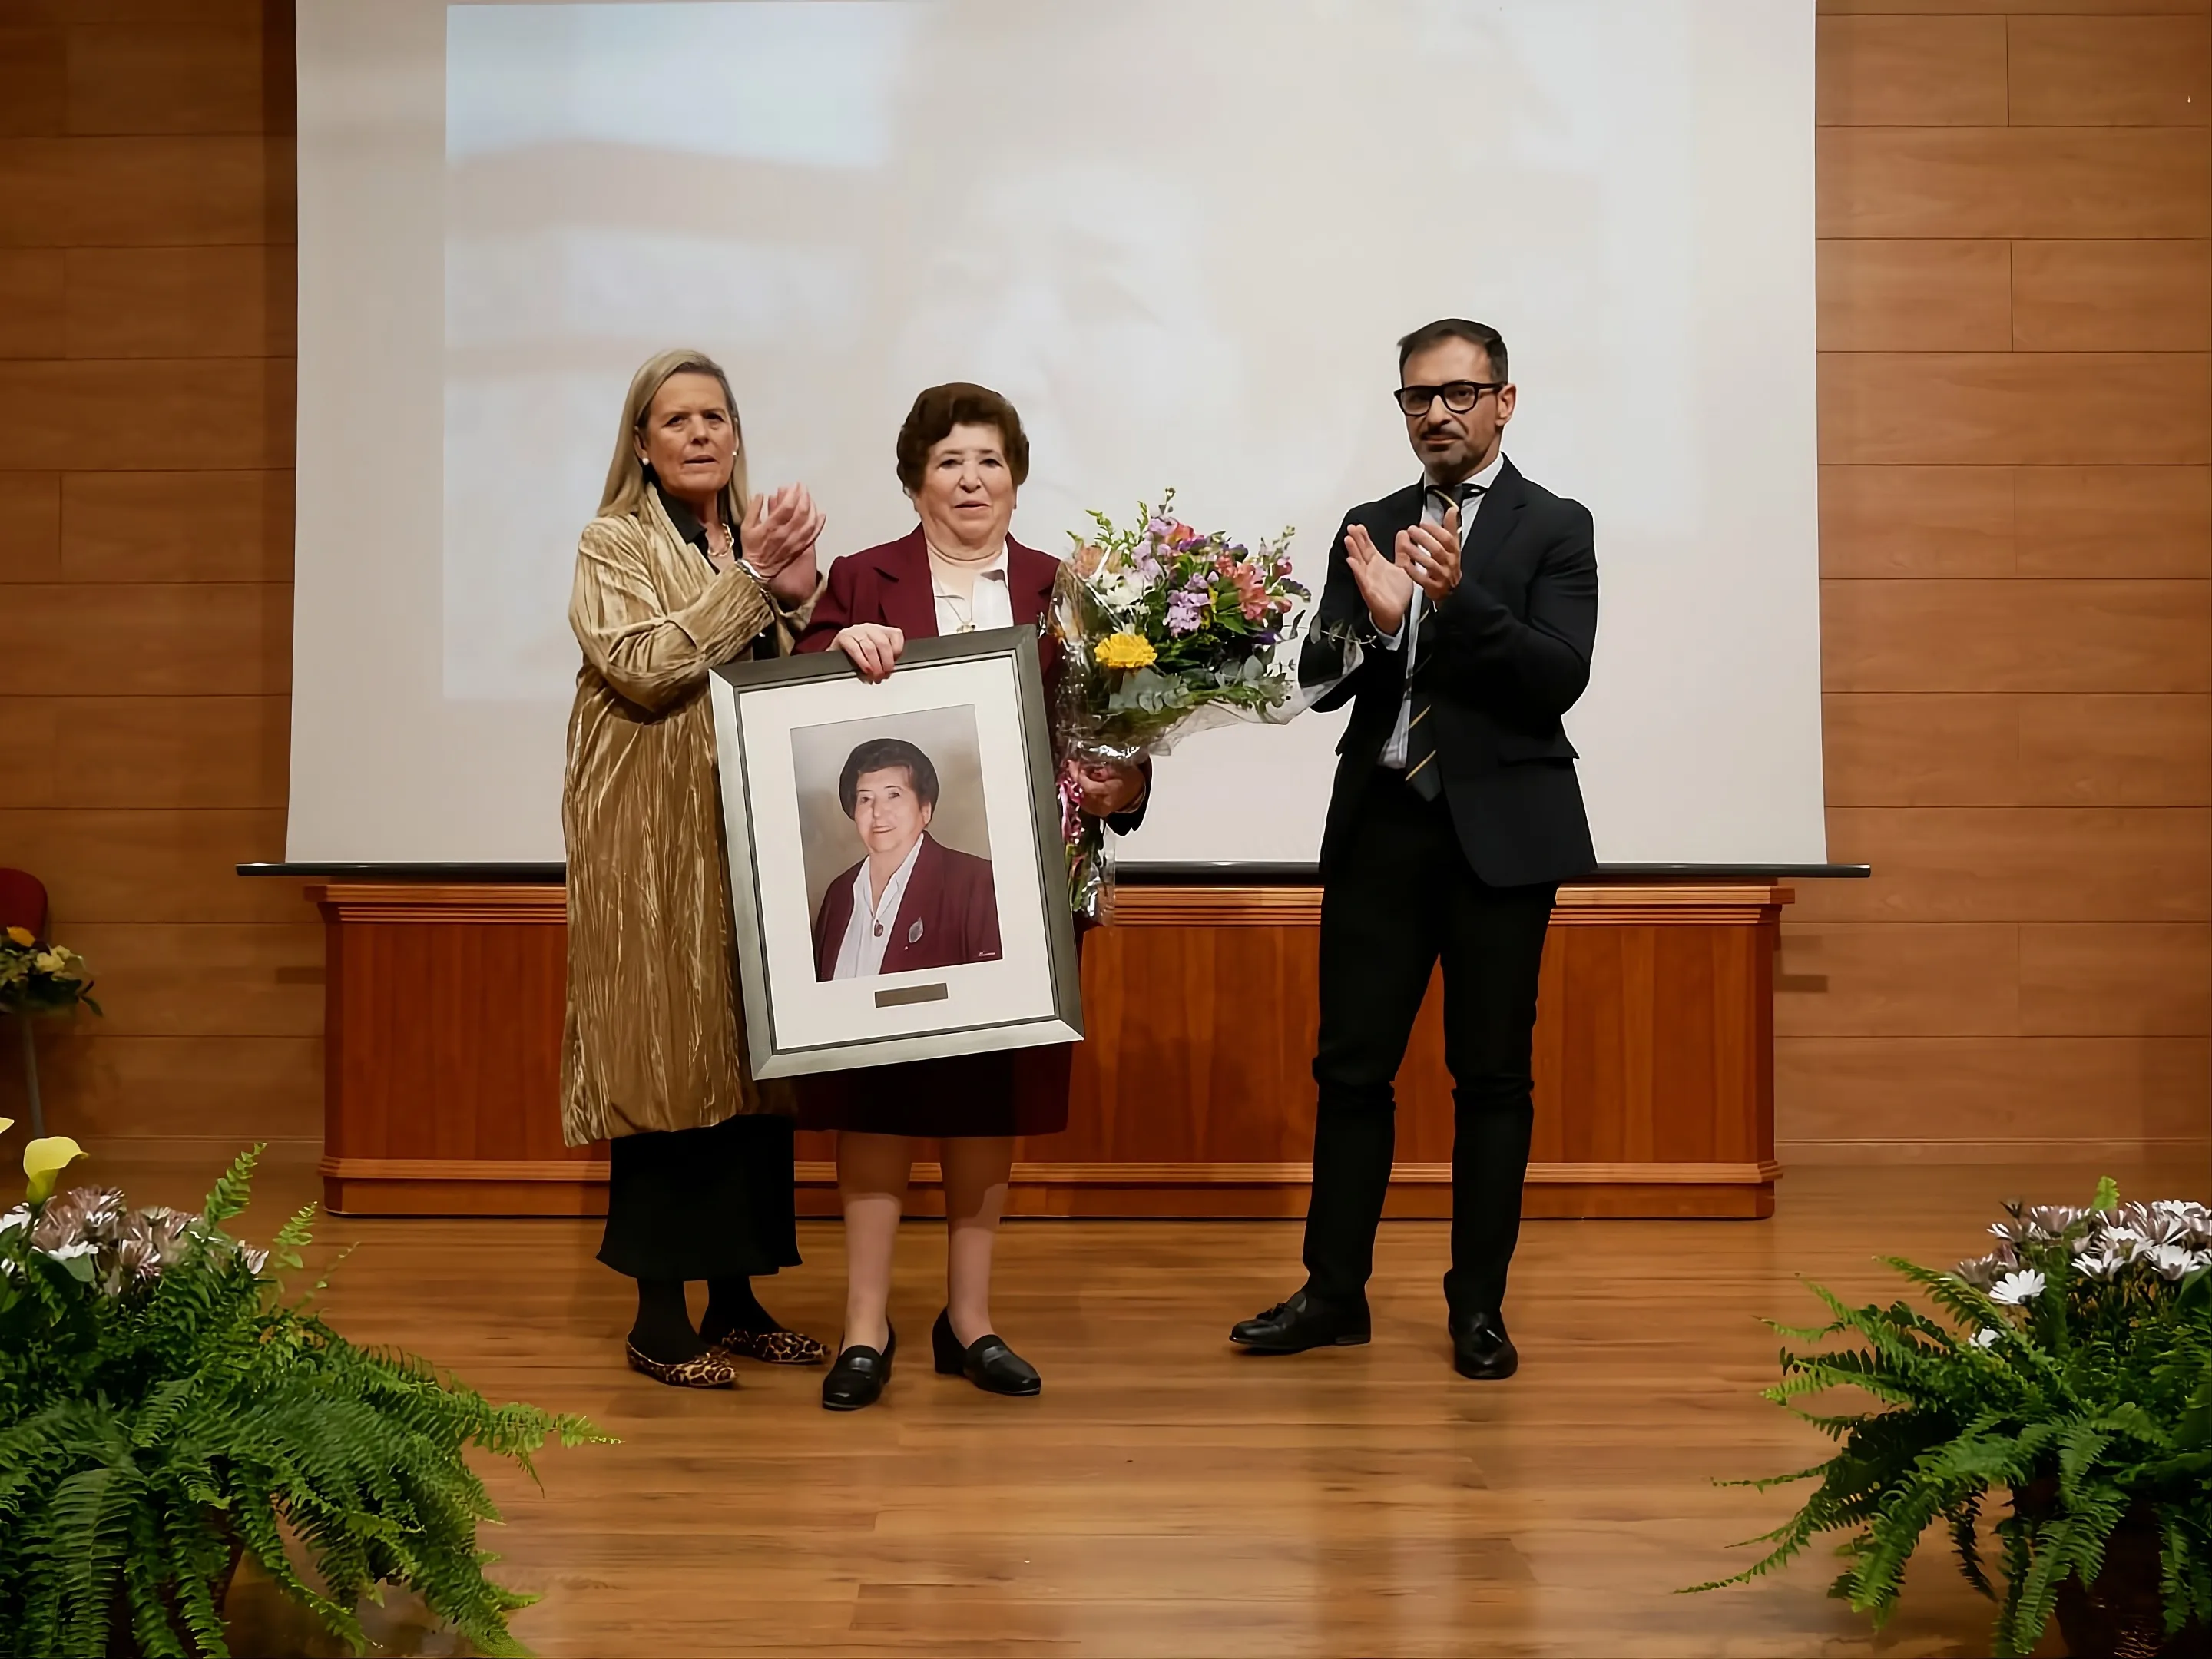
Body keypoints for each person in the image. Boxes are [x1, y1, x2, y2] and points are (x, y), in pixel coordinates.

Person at [1231, 319, 1598, 1381]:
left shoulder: (1556, 526)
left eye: (1456, 394)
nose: (1435, 413)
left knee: (1492, 1079)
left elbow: (1554, 677)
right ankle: (1333, 1294)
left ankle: (1476, 1309)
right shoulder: (1371, 522)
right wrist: (1384, 627)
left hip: (1502, 838)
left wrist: (1449, 602)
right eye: (1415, 398)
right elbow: (1314, 682)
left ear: (1504, 401)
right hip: (1385, 826)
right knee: (1351, 1071)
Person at [794, 382, 1147, 1410]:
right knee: (879, 1092)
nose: (971, 479)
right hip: (886, 892)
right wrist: (835, 650)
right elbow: (793, 700)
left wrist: (1126, 781)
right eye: (949, 461)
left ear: (1018, 478)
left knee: (988, 1093)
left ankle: (970, 1319)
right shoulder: (863, 577)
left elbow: (1113, 734)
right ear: (915, 480)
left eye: (990, 460)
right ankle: (863, 1326)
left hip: (1018, 893)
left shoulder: (1066, 589)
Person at [563, 346, 835, 1389]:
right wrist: (758, 583)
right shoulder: (611, 540)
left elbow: (774, 681)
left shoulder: (748, 533)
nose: (701, 434)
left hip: (752, 837)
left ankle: (736, 1298)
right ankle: (658, 1317)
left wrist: (805, 606)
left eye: (715, 416)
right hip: (651, 845)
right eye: (676, 420)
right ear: (640, 442)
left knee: (752, 1067)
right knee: (665, 1063)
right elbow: (640, 666)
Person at [813, 737, 1002, 981]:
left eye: (893, 795)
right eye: (865, 799)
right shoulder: (838, 895)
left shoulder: (978, 884)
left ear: (926, 809)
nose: (878, 812)